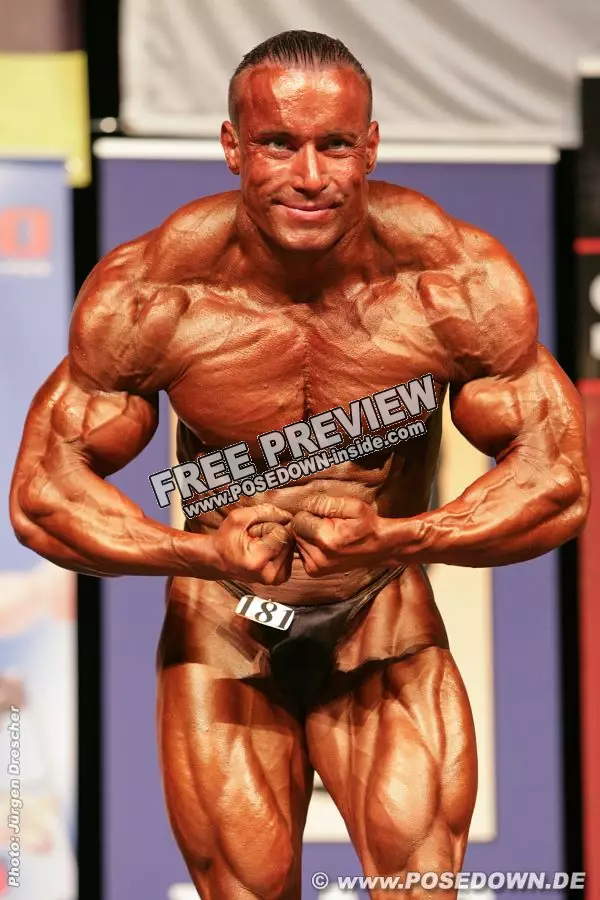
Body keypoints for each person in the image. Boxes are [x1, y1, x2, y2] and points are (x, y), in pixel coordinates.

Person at [10, 29, 589, 900]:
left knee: (421, 889)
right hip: (228, 622)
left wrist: (399, 537)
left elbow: (559, 484)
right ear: (233, 147)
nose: (310, 175)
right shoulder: (155, 294)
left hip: (379, 614)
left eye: (335, 145)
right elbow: (42, 496)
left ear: (372, 147)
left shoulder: (452, 284)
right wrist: (198, 553)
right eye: (279, 143)